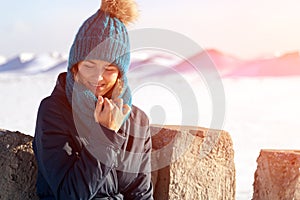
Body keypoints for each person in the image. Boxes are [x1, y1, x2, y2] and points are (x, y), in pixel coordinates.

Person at [33, 0, 154, 199]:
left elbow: (141, 193)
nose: (98, 77)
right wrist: (105, 135)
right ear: (75, 67)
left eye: (109, 69)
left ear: (120, 74)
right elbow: (70, 195)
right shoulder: (54, 111)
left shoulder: (137, 121)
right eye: (89, 65)